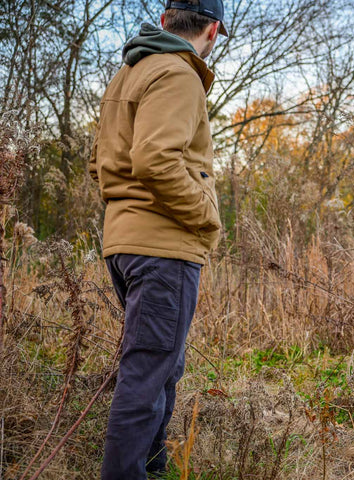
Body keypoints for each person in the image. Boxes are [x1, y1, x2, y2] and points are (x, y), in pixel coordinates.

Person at [88, 1, 227, 477]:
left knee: (162, 368)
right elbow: (153, 159)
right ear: (213, 30)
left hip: (126, 244)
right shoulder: (178, 75)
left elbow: (98, 162)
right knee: (146, 377)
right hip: (162, 248)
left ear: (166, 20)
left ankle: (154, 467)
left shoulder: (127, 74)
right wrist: (206, 216)